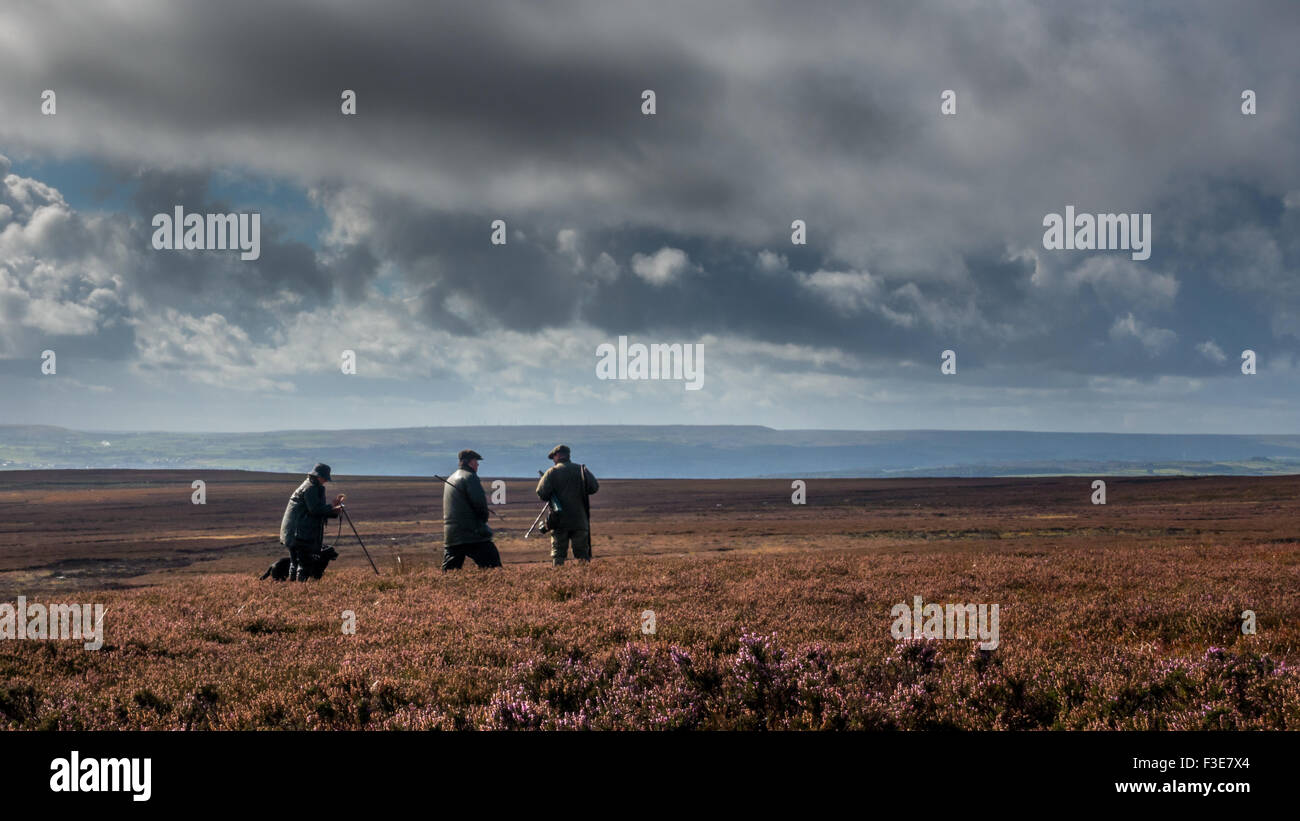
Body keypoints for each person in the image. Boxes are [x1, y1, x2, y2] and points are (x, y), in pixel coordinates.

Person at [535, 444, 599, 566]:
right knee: (582, 556)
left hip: (559, 522)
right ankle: (586, 581)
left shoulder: (551, 472)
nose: (553, 460)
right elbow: (594, 488)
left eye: (553, 457)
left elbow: (541, 493)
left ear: (558, 455)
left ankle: (558, 581)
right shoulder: (581, 470)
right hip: (580, 520)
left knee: (558, 555)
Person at [279, 463, 343, 582]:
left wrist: (332, 509)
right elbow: (314, 510)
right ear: (318, 477)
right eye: (324, 478)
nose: (325, 481)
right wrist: (332, 509)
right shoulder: (311, 488)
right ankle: (301, 590)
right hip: (300, 534)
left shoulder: (309, 485)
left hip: (293, 532)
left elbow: (314, 509)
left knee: (295, 562)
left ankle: (293, 588)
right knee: (304, 564)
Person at [441, 449, 502, 571]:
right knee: (492, 565)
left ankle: (440, 590)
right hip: (471, 533)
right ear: (470, 462)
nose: (478, 465)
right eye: (476, 461)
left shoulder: (450, 478)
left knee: (449, 571)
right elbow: (480, 505)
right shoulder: (470, 477)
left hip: (452, 534)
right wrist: (483, 522)